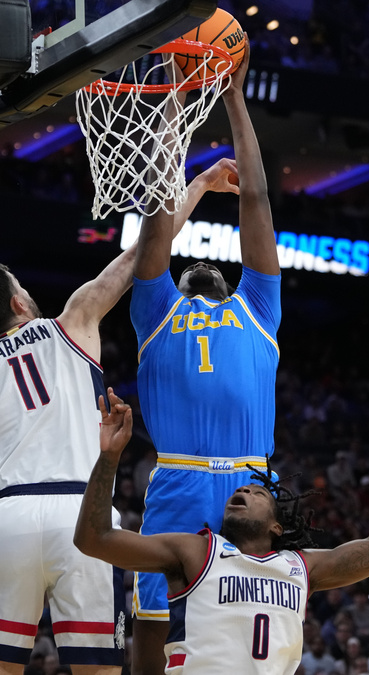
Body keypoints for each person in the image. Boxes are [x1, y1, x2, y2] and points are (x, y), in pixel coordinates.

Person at [0, 156, 240, 675]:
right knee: (98, 669)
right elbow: (146, 249)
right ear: (18, 302)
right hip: (83, 518)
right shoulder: (74, 320)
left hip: (11, 519)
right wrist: (199, 183)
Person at [128, 42, 280, 675]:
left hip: (250, 485)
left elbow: (256, 200)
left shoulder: (259, 307)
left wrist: (236, 100)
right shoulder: (155, 308)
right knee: (153, 633)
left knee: (251, 635)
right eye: (190, 264)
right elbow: (157, 214)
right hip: (181, 479)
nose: (200, 265)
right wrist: (171, 102)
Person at [75, 389, 369, 674]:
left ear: (276, 525)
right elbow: (94, 539)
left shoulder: (300, 567)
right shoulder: (196, 552)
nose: (244, 490)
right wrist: (109, 457)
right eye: (242, 490)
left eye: (258, 493)